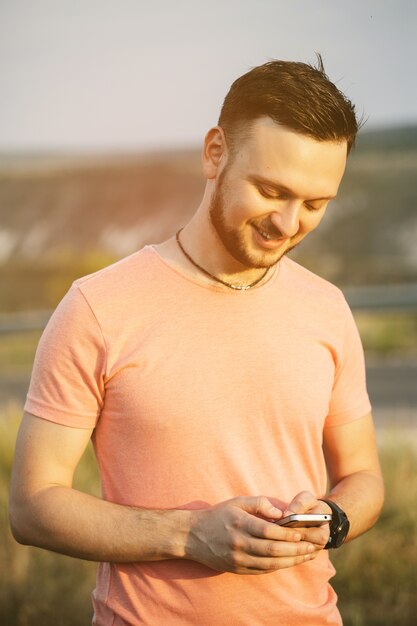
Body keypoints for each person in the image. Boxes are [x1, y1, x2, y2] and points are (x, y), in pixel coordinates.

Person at [10, 57, 384, 626]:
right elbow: (32, 506)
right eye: (270, 190)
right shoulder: (97, 308)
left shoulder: (327, 308)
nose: (288, 224)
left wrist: (331, 519)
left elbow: (364, 478)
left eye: (314, 204)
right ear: (215, 153)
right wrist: (188, 535)